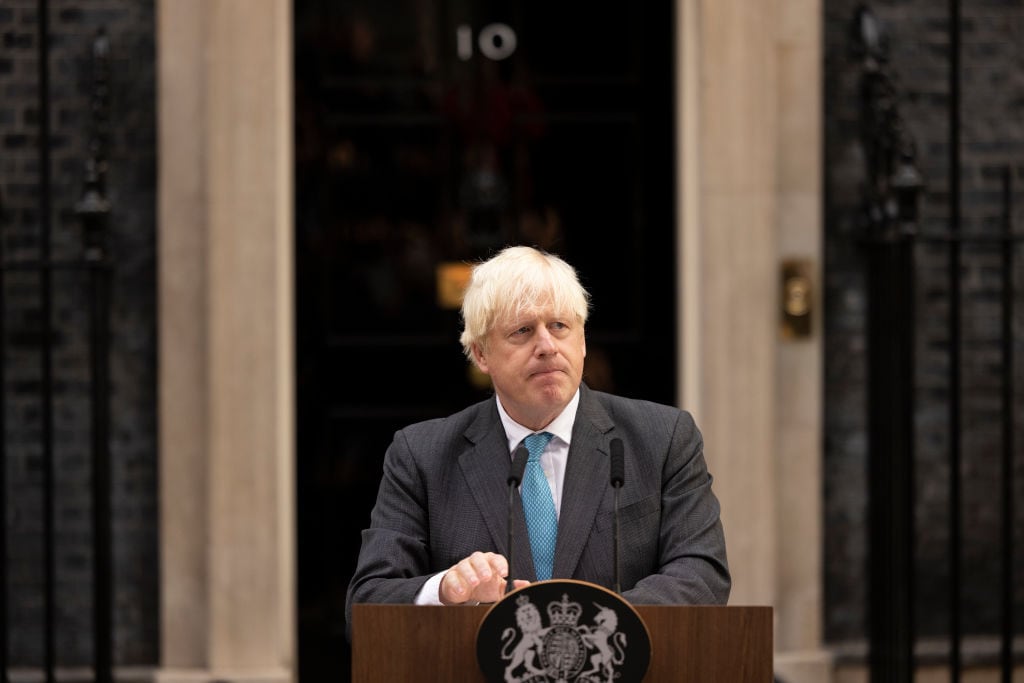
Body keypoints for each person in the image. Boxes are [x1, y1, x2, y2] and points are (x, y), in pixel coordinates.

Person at [345, 246, 729, 628]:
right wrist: (445, 590)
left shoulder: (662, 438)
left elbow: (702, 573)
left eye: (560, 326)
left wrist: (592, 626)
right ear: (481, 354)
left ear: (581, 340)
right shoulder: (422, 455)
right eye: (522, 331)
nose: (547, 346)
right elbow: (367, 603)